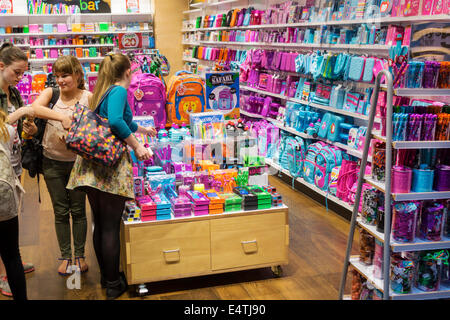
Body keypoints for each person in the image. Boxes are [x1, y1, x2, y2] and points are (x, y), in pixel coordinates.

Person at [65, 53, 156, 300]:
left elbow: (116, 120)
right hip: (109, 167)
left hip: (92, 167)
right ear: (128, 71)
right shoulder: (118, 91)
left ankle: (107, 278)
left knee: (101, 223)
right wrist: (137, 145)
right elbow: (115, 122)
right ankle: (114, 284)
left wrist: (143, 129)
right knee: (110, 227)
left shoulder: (105, 91)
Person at [31, 56, 91, 276]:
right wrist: (62, 119)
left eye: (65, 75)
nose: (60, 80)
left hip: (79, 163)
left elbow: (96, 128)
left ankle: (81, 256)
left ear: (77, 74)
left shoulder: (88, 97)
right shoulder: (51, 93)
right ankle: (66, 256)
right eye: (57, 76)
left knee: (78, 211)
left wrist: (76, 138)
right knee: (60, 211)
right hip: (52, 162)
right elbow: (35, 109)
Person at [0, 42, 36, 298]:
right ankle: (7, 273)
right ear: (1, 66)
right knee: (8, 240)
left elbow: (17, 130)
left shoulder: (14, 94)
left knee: (10, 233)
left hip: (12, 168)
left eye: (23, 73)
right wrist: (21, 112)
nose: (20, 78)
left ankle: (9, 266)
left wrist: (29, 129)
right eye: (16, 72)